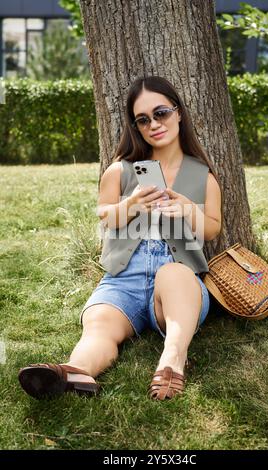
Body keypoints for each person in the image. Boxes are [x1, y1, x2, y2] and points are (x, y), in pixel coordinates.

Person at [18, 76, 223, 401]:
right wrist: (131, 204)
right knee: (100, 325)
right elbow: (105, 217)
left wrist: (186, 208)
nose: (154, 124)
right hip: (122, 281)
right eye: (143, 119)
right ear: (136, 127)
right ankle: (73, 371)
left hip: (177, 286)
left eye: (161, 113)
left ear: (179, 113)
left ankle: (173, 359)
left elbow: (213, 229)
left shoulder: (202, 175)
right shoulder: (121, 171)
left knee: (173, 274)